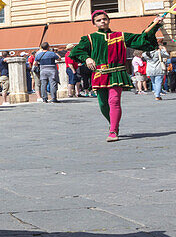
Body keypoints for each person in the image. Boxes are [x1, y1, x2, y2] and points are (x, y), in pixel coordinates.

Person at [68, 10, 162, 141]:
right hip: (99, 74)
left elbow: (141, 39)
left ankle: (113, 130)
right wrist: (87, 58)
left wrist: (155, 25)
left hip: (117, 73)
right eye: (99, 20)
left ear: (109, 20)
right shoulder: (89, 38)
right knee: (103, 104)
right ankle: (112, 123)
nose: (102, 21)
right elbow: (76, 51)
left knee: (114, 101)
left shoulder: (121, 36)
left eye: (104, 19)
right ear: (94, 23)